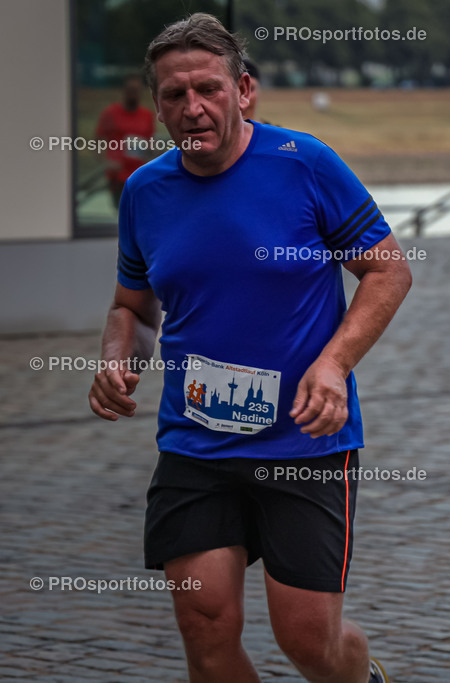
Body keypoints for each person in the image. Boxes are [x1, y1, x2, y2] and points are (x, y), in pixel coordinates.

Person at [87, 13, 410, 683]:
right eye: (174, 95)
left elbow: (388, 270)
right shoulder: (145, 192)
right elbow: (132, 307)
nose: (192, 107)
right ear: (157, 107)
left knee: (309, 642)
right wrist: (118, 359)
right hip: (195, 444)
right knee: (204, 627)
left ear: (242, 91)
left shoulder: (306, 164)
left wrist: (334, 363)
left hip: (304, 445)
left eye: (208, 89)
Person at [95, 74, 156, 208]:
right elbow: (97, 141)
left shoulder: (147, 115)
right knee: (122, 212)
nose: (133, 94)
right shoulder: (111, 113)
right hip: (118, 176)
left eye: (137, 90)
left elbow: (150, 145)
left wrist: (150, 160)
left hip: (139, 174)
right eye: (130, 90)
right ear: (124, 91)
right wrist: (106, 162)